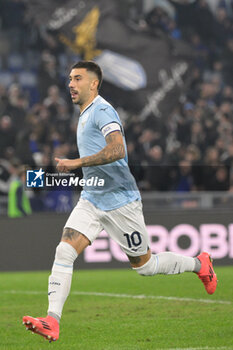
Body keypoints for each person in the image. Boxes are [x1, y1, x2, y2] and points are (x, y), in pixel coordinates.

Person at [22, 61, 217, 342]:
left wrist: (77, 162)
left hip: (120, 201)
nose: (70, 84)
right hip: (92, 197)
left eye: (77, 79)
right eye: (69, 79)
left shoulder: (102, 110)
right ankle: (52, 321)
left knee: (145, 267)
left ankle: (200, 264)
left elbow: (117, 149)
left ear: (93, 83)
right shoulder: (85, 113)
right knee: (64, 252)